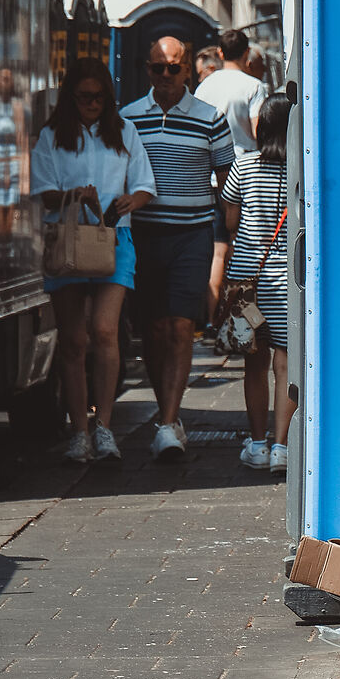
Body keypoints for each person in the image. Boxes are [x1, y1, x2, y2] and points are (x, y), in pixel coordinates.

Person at [33, 60, 155, 466]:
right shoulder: (52, 137)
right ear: (71, 97)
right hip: (68, 241)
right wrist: (75, 195)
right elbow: (44, 193)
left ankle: (103, 426)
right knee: (73, 340)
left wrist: (129, 201)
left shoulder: (124, 133)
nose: (92, 104)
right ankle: (79, 431)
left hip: (114, 238)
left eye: (99, 97)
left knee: (105, 332)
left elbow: (144, 187)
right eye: (84, 97)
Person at [122, 35, 234, 462]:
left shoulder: (210, 117)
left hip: (192, 235)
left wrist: (224, 222)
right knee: (152, 327)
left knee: (181, 326)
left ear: (188, 70)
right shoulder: (129, 118)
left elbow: (228, 175)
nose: (166, 76)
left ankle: (168, 421)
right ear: (147, 71)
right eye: (158, 68)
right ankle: (166, 417)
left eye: (174, 68)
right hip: (145, 235)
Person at [209, 92, 293, 473]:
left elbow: (229, 222)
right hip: (290, 275)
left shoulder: (243, 168)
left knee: (254, 363)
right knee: (285, 363)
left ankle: (257, 444)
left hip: (249, 277)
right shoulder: (300, 169)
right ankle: (281, 447)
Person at [198, 26, 265, 154]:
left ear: (220, 53)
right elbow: (258, 132)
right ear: (247, 52)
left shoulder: (204, 86)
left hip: (212, 164)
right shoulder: (254, 86)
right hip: (245, 164)